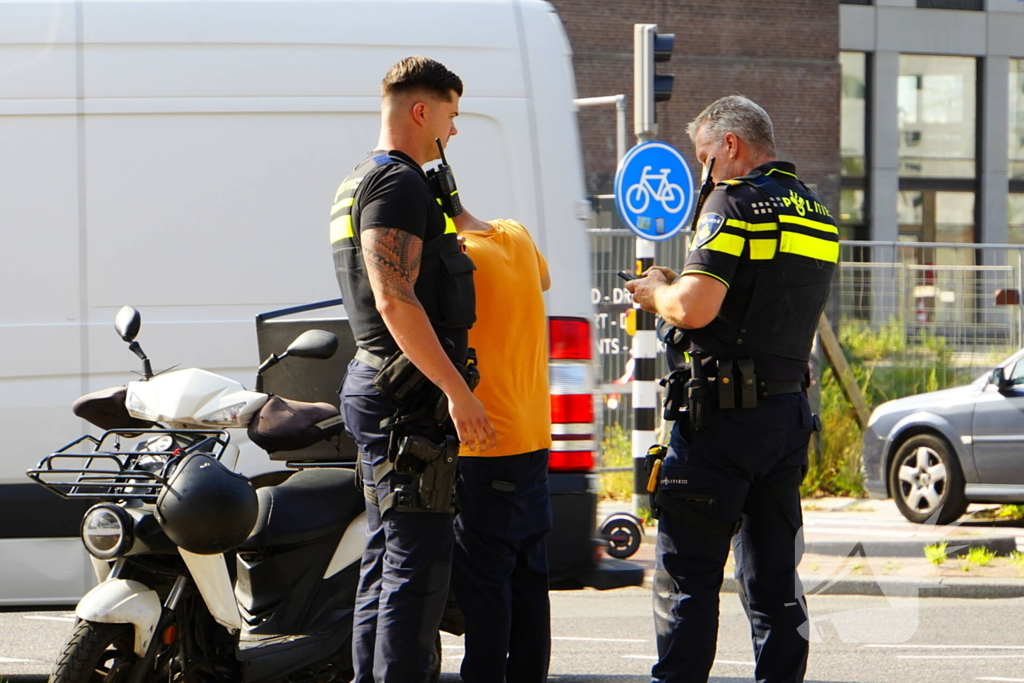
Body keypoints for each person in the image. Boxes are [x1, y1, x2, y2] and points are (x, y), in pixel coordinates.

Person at [625, 96, 838, 683]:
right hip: (786, 418)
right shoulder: (817, 212)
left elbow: (695, 308)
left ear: (731, 146)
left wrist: (657, 292)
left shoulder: (734, 200)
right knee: (775, 584)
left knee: (688, 582)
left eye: (703, 158)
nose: (702, 172)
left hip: (719, 423)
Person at [330, 56, 496, 683]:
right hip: (408, 401)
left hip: (380, 387)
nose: (453, 132)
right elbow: (394, 298)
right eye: (451, 117)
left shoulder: (363, 179)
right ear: (422, 111)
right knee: (416, 569)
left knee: (386, 557)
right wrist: (458, 393)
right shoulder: (397, 185)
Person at [451, 209, 553, 683]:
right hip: (532, 432)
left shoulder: (458, 256)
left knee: (486, 586)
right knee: (530, 578)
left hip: (485, 438)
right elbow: (544, 281)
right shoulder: (515, 233)